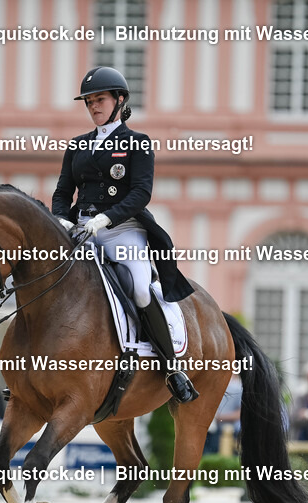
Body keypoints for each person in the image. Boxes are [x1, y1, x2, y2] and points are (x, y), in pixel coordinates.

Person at [51, 66, 198, 403]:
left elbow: (140, 194)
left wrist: (104, 219)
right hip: (80, 231)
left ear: (119, 100)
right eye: (88, 102)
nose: (93, 107)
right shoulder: (77, 145)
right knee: (47, 279)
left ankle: (172, 367)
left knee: (140, 291)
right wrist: (61, 221)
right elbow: (63, 192)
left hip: (123, 232)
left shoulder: (138, 143)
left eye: (99, 99)